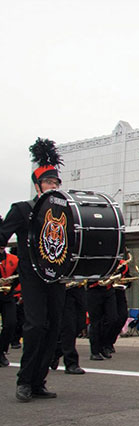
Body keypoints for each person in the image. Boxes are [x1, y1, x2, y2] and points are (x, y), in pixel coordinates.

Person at [0, 138, 66, 402]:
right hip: (32, 275)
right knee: (36, 325)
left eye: (56, 183)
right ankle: (24, 381)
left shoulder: (63, 211)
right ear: (38, 185)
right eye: (49, 183)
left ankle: (39, 381)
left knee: (53, 328)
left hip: (57, 276)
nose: (53, 187)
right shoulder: (22, 209)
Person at [52, 283, 86, 374]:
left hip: (78, 288)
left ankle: (54, 352)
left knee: (80, 323)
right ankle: (71, 363)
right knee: (68, 326)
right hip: (64, 289)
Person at [0, 247, 20, 368]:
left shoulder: (13, 259)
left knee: (11, 323)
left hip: (7, 295)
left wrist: (11, 287)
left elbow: (17, 277)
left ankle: (1, 351)